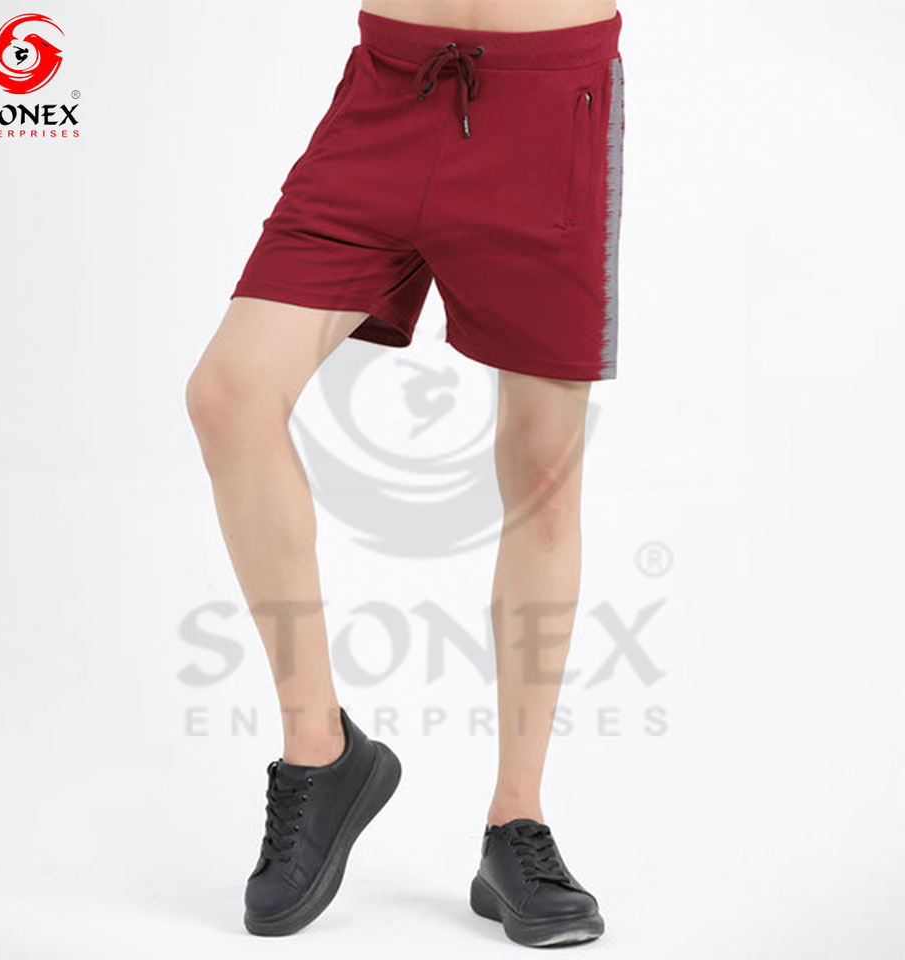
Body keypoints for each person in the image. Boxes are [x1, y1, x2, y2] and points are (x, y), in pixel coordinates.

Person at [185, 0, 624, 947]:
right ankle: (321, 751)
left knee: (543, 473)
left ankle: (517, 825)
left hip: (546, 110)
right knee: (230, 395)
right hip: (390, 89)